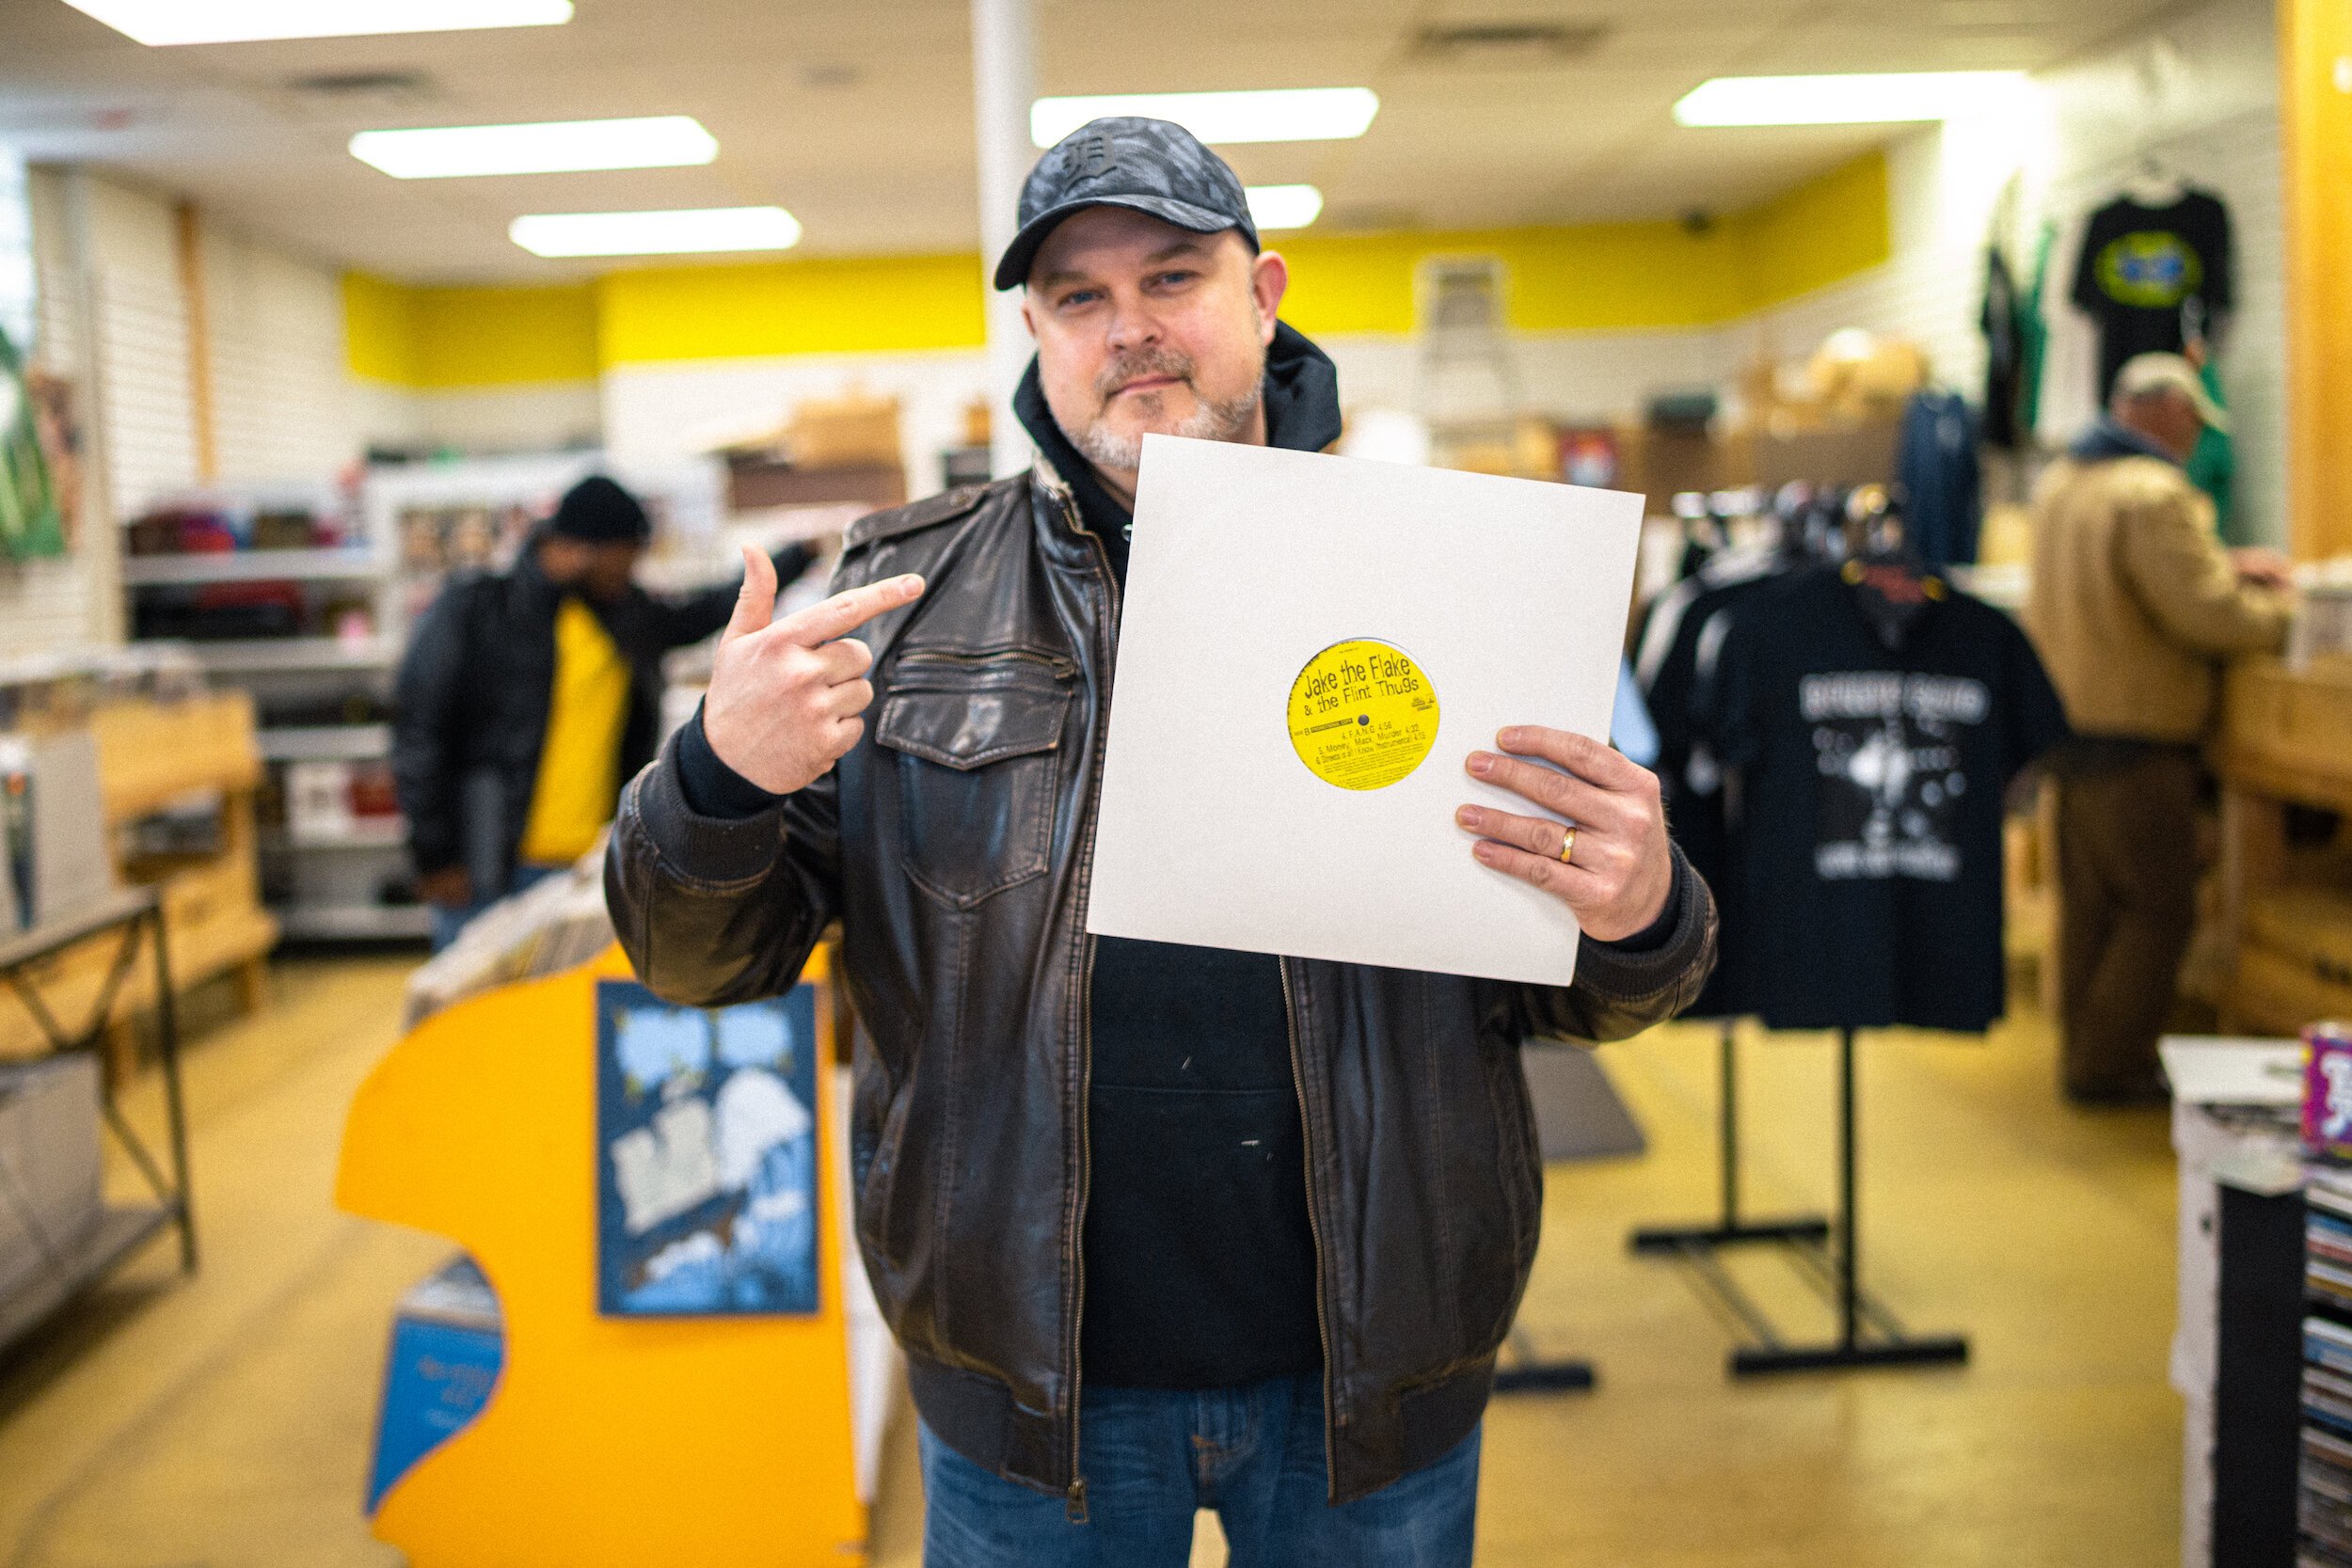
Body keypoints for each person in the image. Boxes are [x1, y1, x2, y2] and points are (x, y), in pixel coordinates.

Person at [605, 119, 1716, 1566]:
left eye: (1172, 278)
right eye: (1079, 296)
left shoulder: (1454, 574)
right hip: (1030, 1388)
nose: (1129, 329)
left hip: (1372, 1374)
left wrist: (1642, 907)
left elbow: (1580, 985)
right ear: (1035, 329)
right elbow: (702, 962)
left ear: (1262, 294)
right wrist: (714, 778)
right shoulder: (899, 595)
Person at [2024, 352, 2294, 1103]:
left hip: (2068, 728)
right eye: (2191, 422)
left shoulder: (2062, 484)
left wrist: (2224, 567)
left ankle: (2084, 1055)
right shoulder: (2153, 492)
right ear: (2168, 411)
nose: (2194, 440)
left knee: (2090, 910)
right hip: (2139, 733)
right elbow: (2204, 612)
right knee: (2159, 907)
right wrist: (2285, 616)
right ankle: (2113, 1066)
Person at [394, 474, 815, 951]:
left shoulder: (620, 612)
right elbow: (419, 736)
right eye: (626, 554)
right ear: (580, 548)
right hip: (485, 864)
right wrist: (434, 856)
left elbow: (698, 613)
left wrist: (797, 556)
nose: (632, 568)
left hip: (585, 866)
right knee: (469, 1017)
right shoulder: (476, 610)